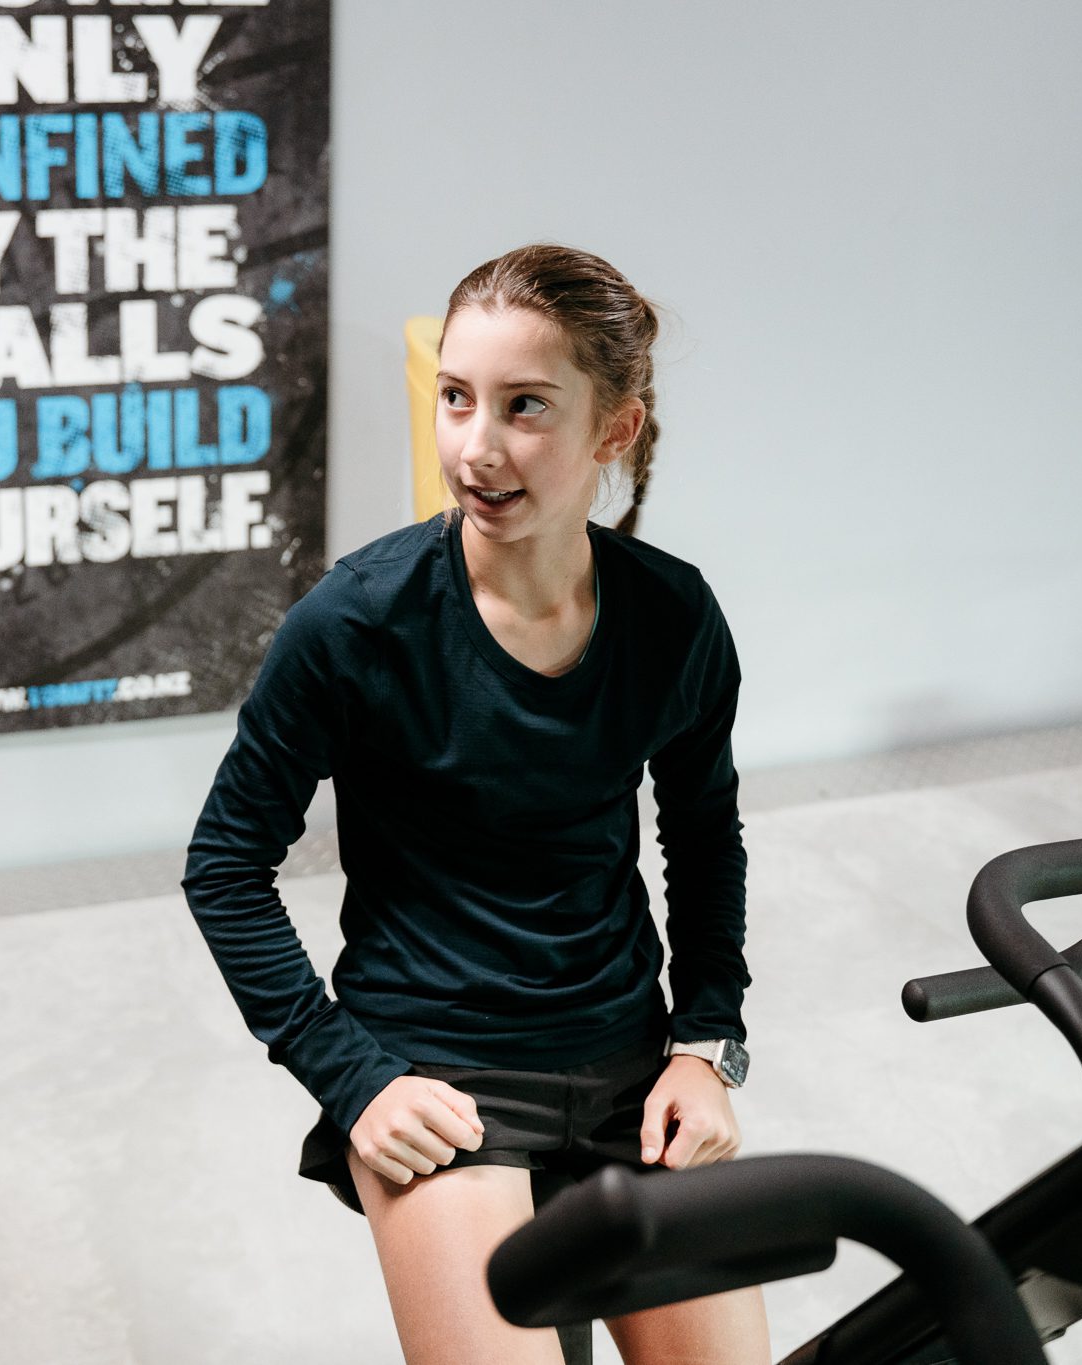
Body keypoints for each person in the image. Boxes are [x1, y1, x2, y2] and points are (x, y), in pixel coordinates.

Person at [182, 244, 767, 1364]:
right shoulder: (353, 624)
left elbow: (702, 838)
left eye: (524, 408)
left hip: (625, 1059)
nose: (474, 447)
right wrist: (348, 1075)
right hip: (434, 1067)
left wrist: (705, 1043)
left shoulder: (673, 617)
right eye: (454, 398)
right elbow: (224, 865)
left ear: (613, 430)